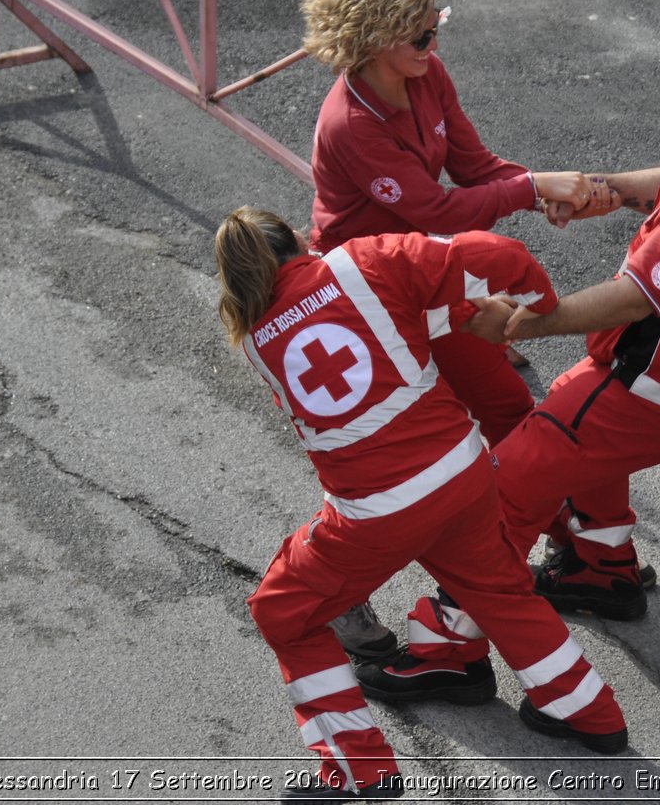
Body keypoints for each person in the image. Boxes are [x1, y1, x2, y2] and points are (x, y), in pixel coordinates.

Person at [388, 39, 660, 680]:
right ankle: (602, 568)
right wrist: (602, 191)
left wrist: (522, 325)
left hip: (657, 389)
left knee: (514, 476)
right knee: (582, 433)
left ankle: (448, 648)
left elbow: (633, 299)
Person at [215, 207, 628, 802]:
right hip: (461, 471)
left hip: (377, 509)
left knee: (282, 611)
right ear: (301, 242)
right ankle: (591, 714)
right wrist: (541, 307)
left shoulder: (256, 338)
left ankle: (360, 773)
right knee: (498, 587)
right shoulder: (364, 260)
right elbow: (500, 255)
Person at [300, 0, 615, 657]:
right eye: (419, 31)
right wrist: (533, 186)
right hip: (368, 306)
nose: (432, 40)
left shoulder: (426, 76)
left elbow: (474, 169)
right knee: (391, 460)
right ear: (377, 35)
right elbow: (432, 207)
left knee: (507, 406)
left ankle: (572, 552)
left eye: (435, 26)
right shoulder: (350, 123)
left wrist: (540, 192)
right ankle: (335, 591)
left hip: (427, 280)